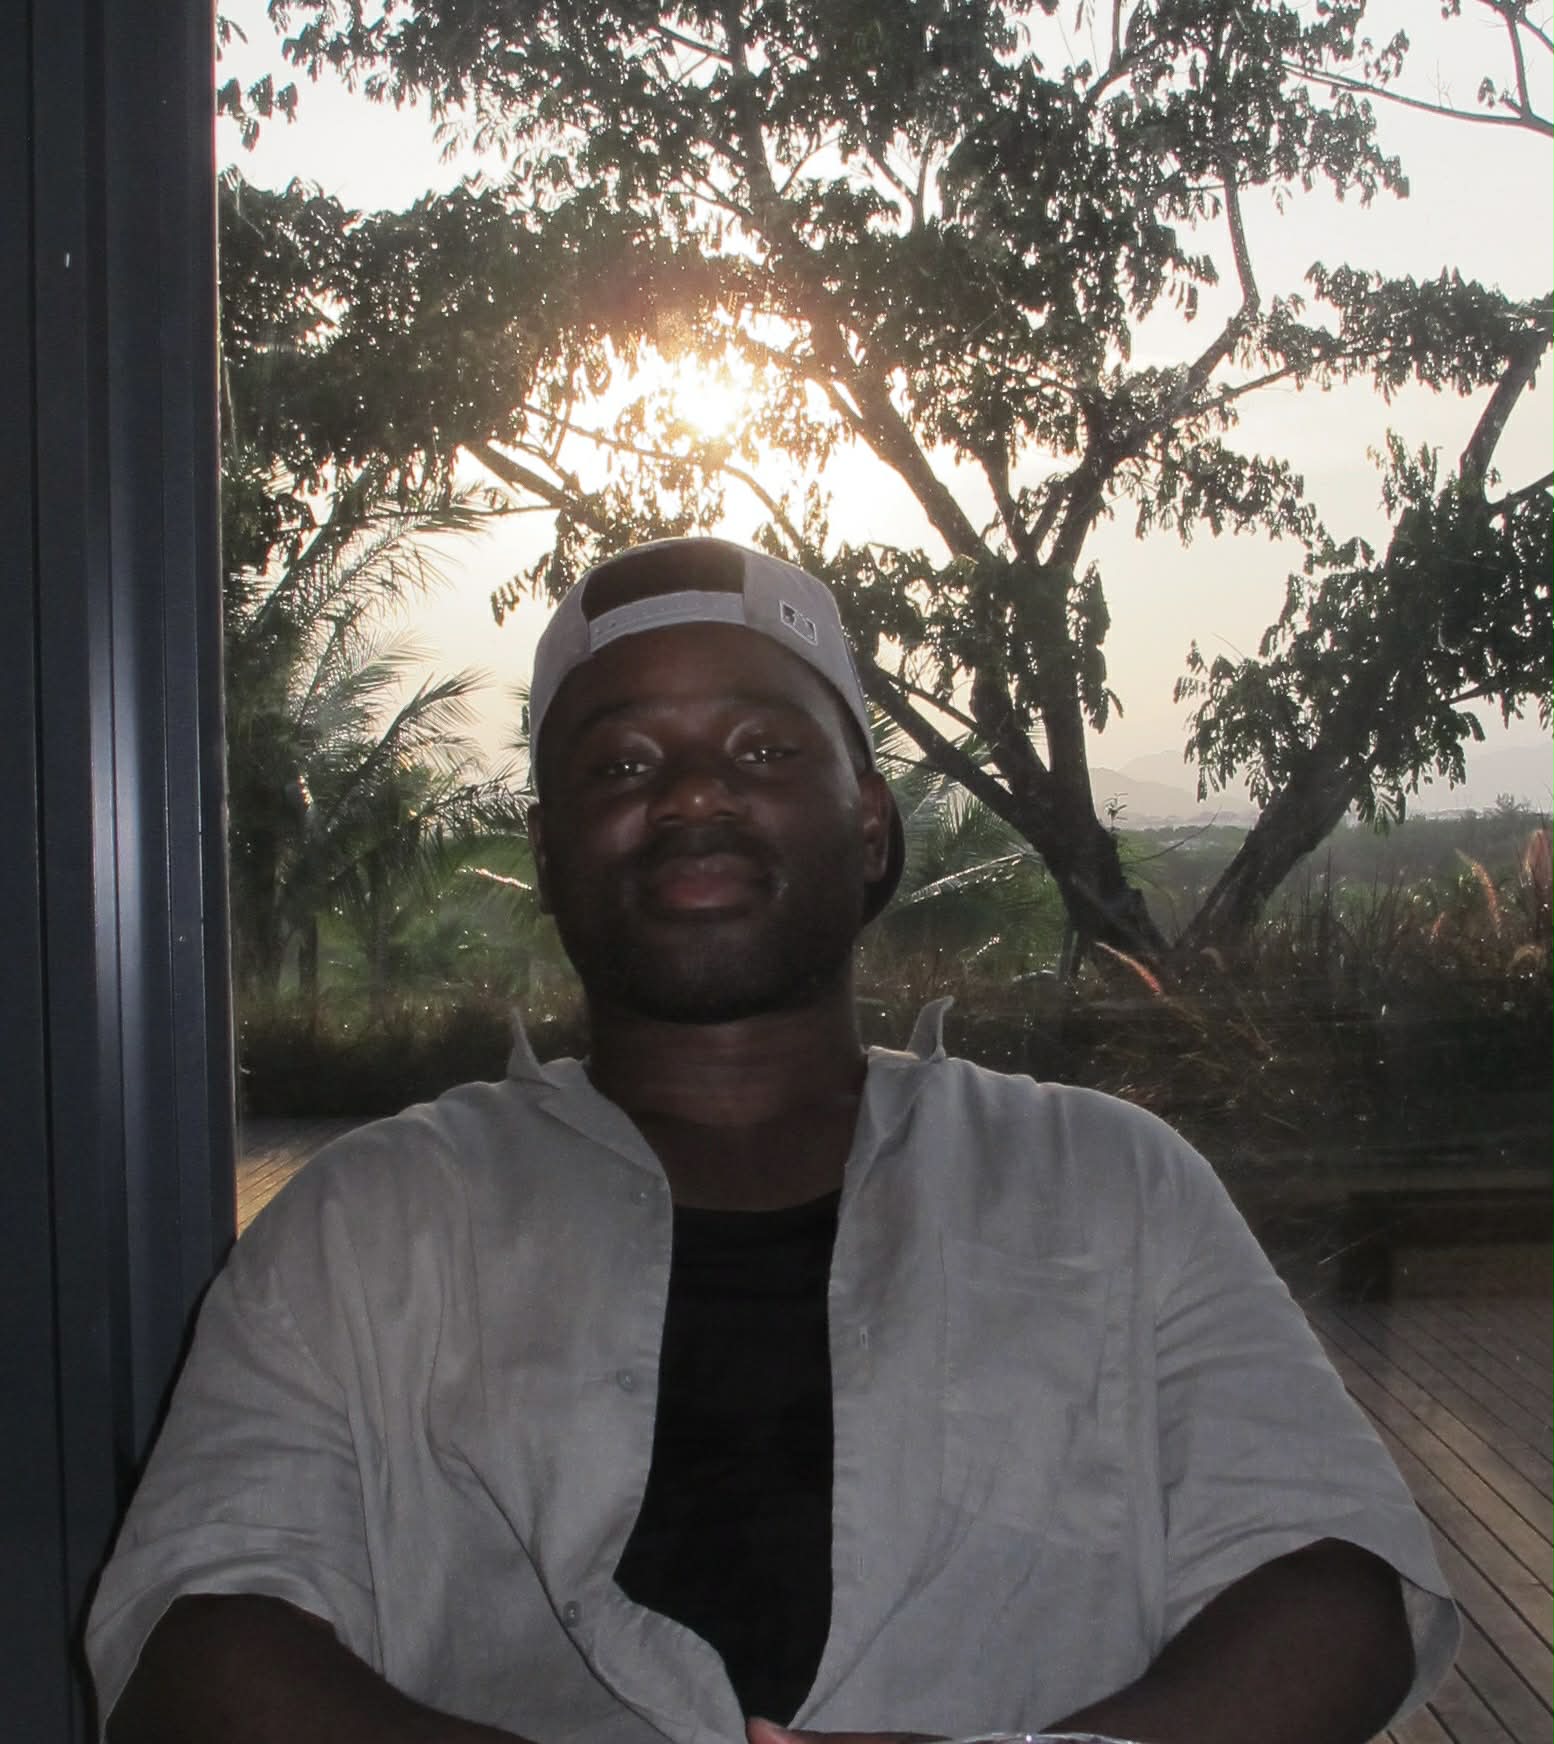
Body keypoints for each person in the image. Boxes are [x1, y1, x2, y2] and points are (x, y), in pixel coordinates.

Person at [88, 537, 1457, 1744]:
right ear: (549, 847)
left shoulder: (1108, 1180)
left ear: (866, 821)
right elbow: (196, 1630)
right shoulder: (370, 1219)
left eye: (761, 749)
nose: (691, 797)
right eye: (621, 762)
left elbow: (1328, 1580)